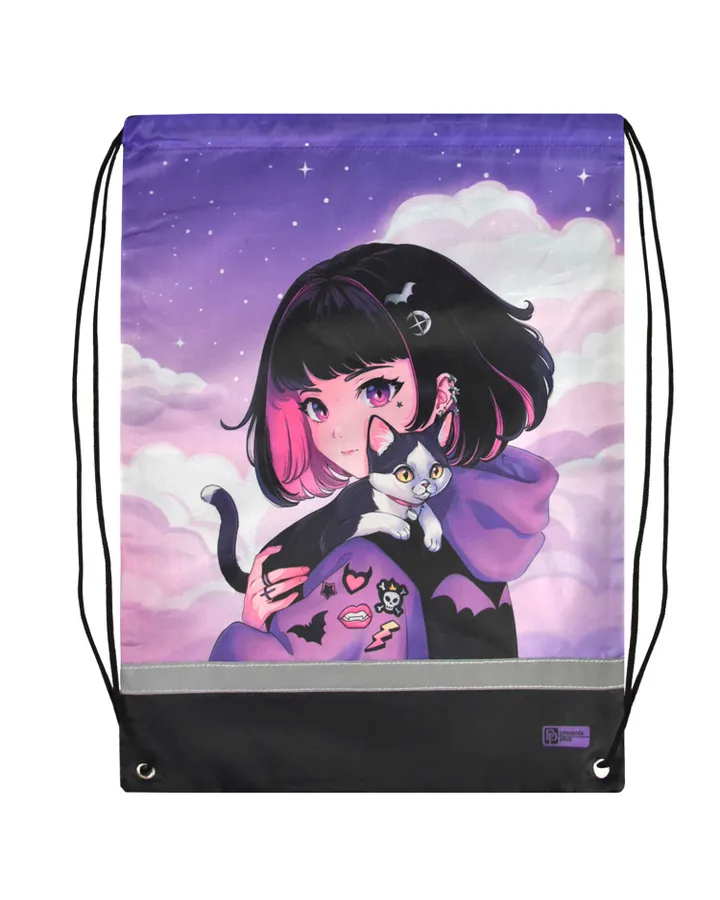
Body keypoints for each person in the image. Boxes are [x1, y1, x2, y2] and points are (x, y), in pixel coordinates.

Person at [208, 242, 558, 661]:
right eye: (316, 407)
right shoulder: (475, 524)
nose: (340, 433)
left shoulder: (367, 557)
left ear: (443, 388)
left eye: (376, 390)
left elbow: (286, 680)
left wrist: (251, 632)